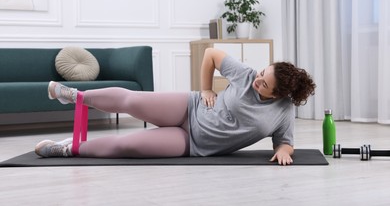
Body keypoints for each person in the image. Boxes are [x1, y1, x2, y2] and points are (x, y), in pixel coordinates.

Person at [35, 48, 316, 165]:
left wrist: (282, 151)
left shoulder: (283, 112)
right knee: (133, 101)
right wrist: (206, 88)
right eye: (261, 74)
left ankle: (68, 148)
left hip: (193, 143)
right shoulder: (246, 74)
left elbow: (285, 142)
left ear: (279, 95)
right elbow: (211, 54)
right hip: (189, 108)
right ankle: (73, 95)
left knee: (128, 147)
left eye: (264, 84)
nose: (257, 80)